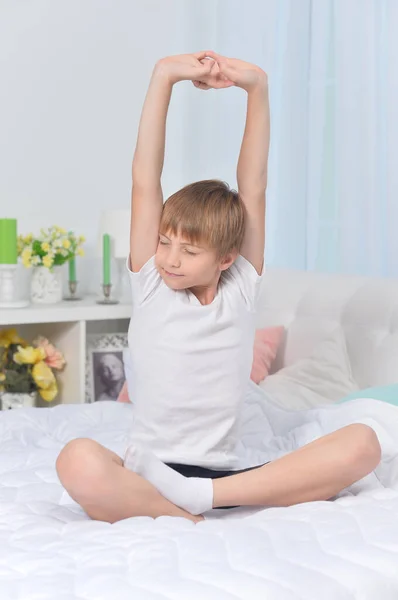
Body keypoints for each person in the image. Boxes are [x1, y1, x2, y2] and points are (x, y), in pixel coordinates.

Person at [56, 51, 381, 524]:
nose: (169, 258)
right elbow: (145, 177)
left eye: (189, 252)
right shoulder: (151, 284)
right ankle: (177, 503)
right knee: (76, 460)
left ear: (226, 258)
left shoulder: (241, 287)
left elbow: (253, 185)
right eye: (165, 243)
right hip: (153, 470)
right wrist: (164, 76)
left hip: (230, 475)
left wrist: (258, 88)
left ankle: (196, 499)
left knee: (364, 443)